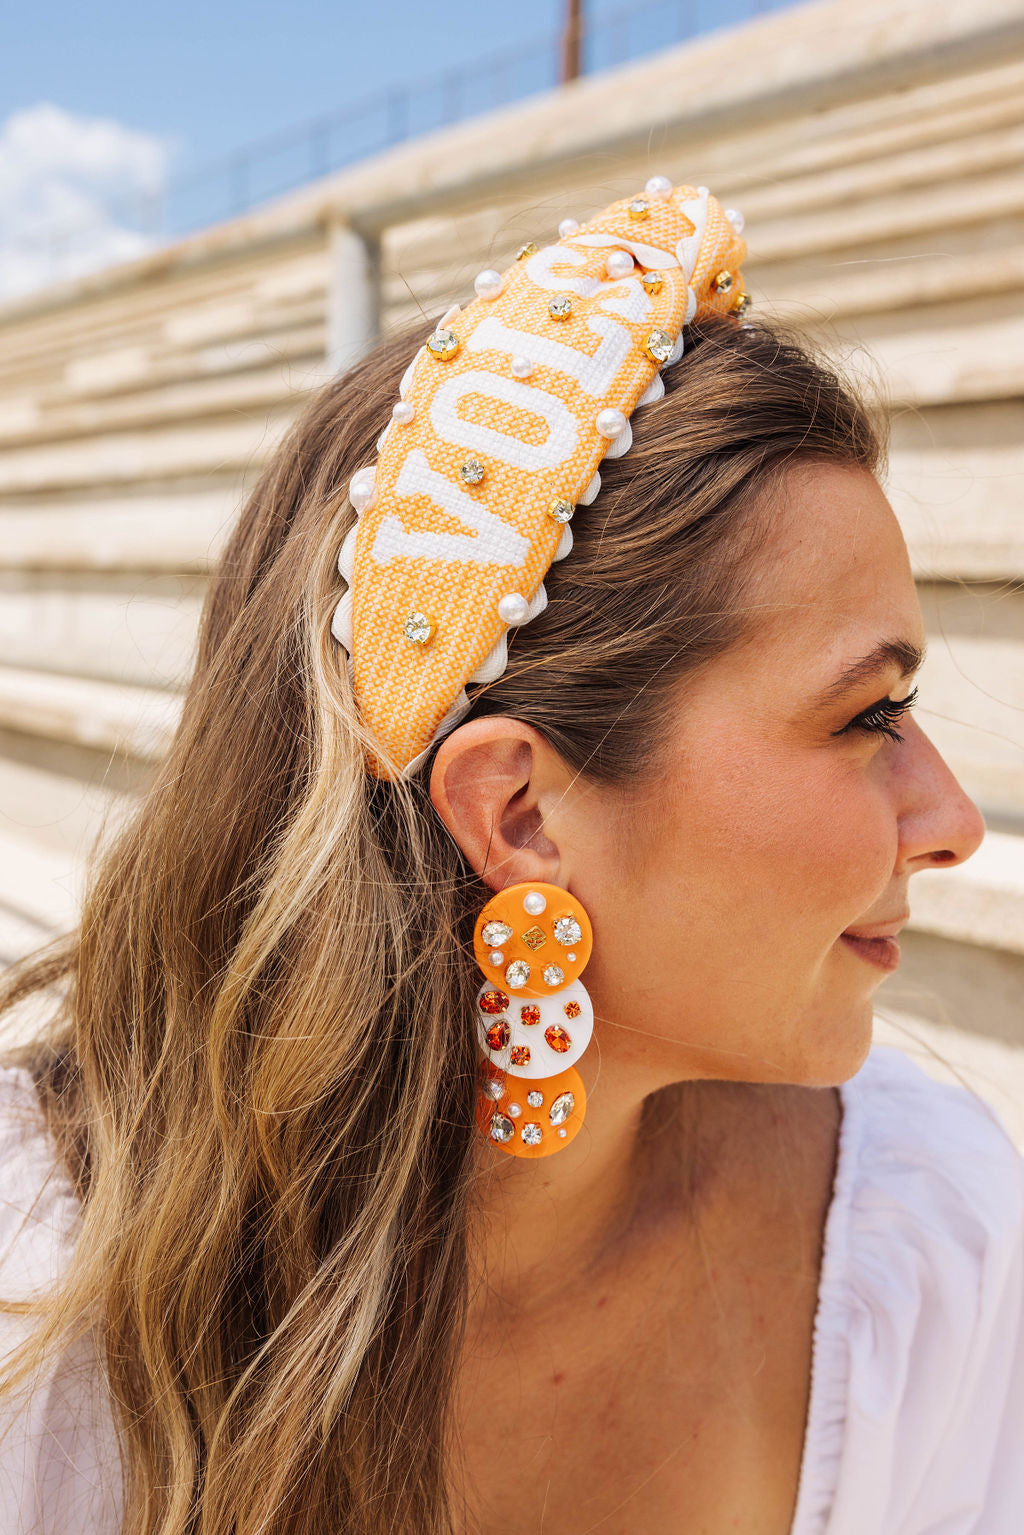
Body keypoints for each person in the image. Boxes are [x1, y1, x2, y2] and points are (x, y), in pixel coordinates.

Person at [0, 180, 1021, 1535]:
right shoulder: (35, 1308)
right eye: (866, 716)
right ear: (522, 814)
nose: (952, 817)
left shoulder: (921, 1240)